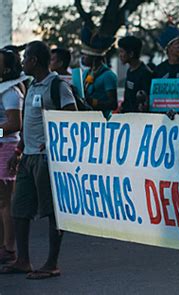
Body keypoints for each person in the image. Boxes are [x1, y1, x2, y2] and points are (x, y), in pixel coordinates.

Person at [0, 41, 77, 279]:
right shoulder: (32, 86)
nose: (23, 63)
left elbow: (72, 119)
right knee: (20, 210)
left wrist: (54, 141)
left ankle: (51, 263)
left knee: (52, 212)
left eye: (26, 59)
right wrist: (19, 150)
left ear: (33, 61)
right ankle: (23, 260)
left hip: (47, 159)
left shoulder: (57, 86)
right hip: (27, 156)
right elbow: (28, 125)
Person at [0, 48, 24, 265]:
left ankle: (9, 248)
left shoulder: (10, 92)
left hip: (6, 146)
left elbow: (15, 124)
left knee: (5, 201)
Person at [80, 27, 118, 119]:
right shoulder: (85, 73)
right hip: (87, 119)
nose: (82, 57)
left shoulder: (108, 76)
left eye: (85, 55)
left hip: (102, 120)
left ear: (94, 57)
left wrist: (92, 102)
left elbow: (113, 104)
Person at [118, 36, 153, 113]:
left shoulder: (145, 73)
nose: (120, 55)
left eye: (121, 52)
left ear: (131, 54)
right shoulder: (129, 70)